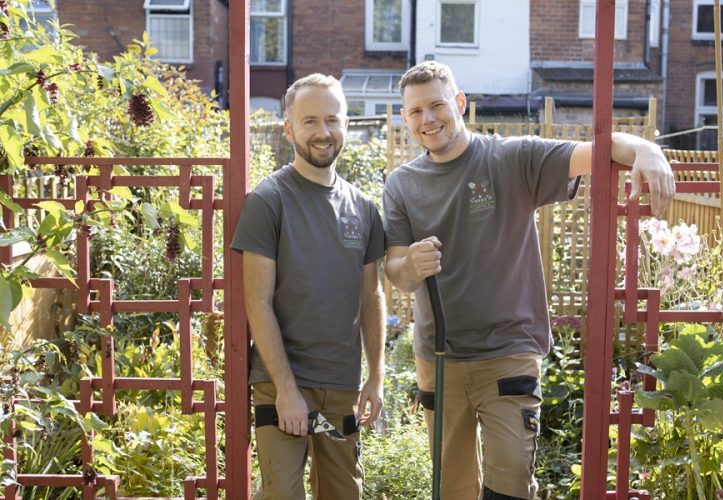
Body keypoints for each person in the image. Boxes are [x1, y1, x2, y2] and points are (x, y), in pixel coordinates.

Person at [383, 61, 675, 500]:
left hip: (507, 353)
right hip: (439, 359)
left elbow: (599, 149)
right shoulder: (401, 184)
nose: (428, 119)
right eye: (416, 111)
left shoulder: (509, 158)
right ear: (405, 118)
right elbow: (396, 270)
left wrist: (646, 150)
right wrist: (411, 266)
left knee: (510, 487)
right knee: (452, 490)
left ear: (460, 103)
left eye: (438, 105)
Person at [232, 73, 386, 500]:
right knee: (282, 494)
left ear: (346, 125)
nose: (323, 132)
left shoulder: (364, 208)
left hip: (341, 386)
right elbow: (257, 301)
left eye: (333, 120)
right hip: (281, 382)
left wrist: (376, 375)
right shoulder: (269, 200)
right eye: (310, 121)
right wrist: (286, 389)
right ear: (289, 128)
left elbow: (371, 297)